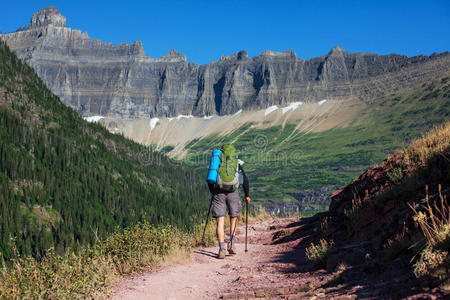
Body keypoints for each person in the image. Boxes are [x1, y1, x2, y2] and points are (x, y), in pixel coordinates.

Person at [208, 144, 250, 259]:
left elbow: (210, 179)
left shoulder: (218, 160)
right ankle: (231, 243)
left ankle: (222, 249)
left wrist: (213, 193)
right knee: (233, 218)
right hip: (233, 192)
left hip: (218, 193)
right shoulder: (236, 161)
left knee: (220, 221)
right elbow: (244, 179)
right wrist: (247, 195)